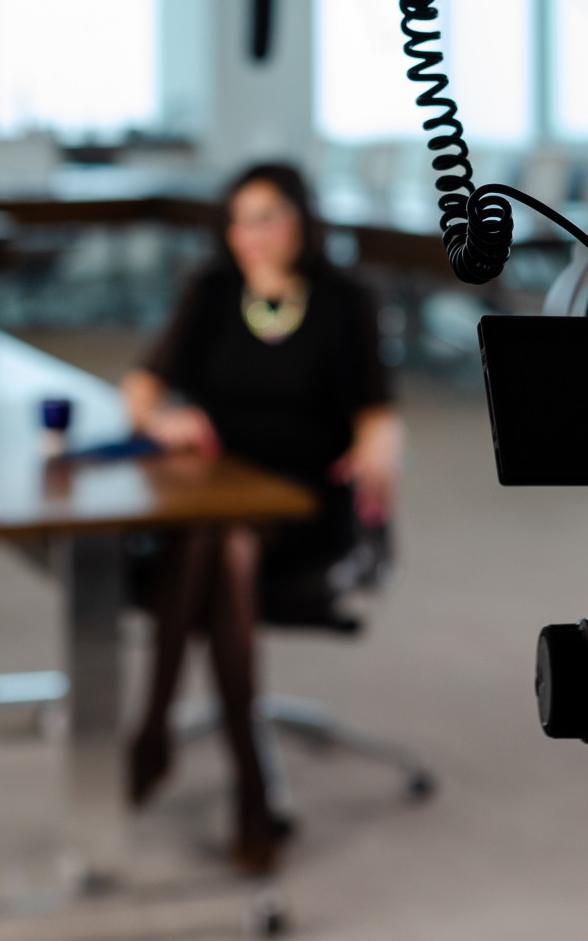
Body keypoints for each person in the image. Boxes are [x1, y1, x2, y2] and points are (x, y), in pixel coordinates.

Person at [121, 164, 402, 875]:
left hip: (306, 506)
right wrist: (162, 415)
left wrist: (380, 455)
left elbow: (378, 415)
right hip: (218, 495)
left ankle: (155, 730)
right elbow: (142, 386)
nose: (255, 234)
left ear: (303, 221)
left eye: (271, 215)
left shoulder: (345, 300)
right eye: (242, 219)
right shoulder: (211, 291)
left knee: (224, 541)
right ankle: (249, 788)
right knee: (223, 536)